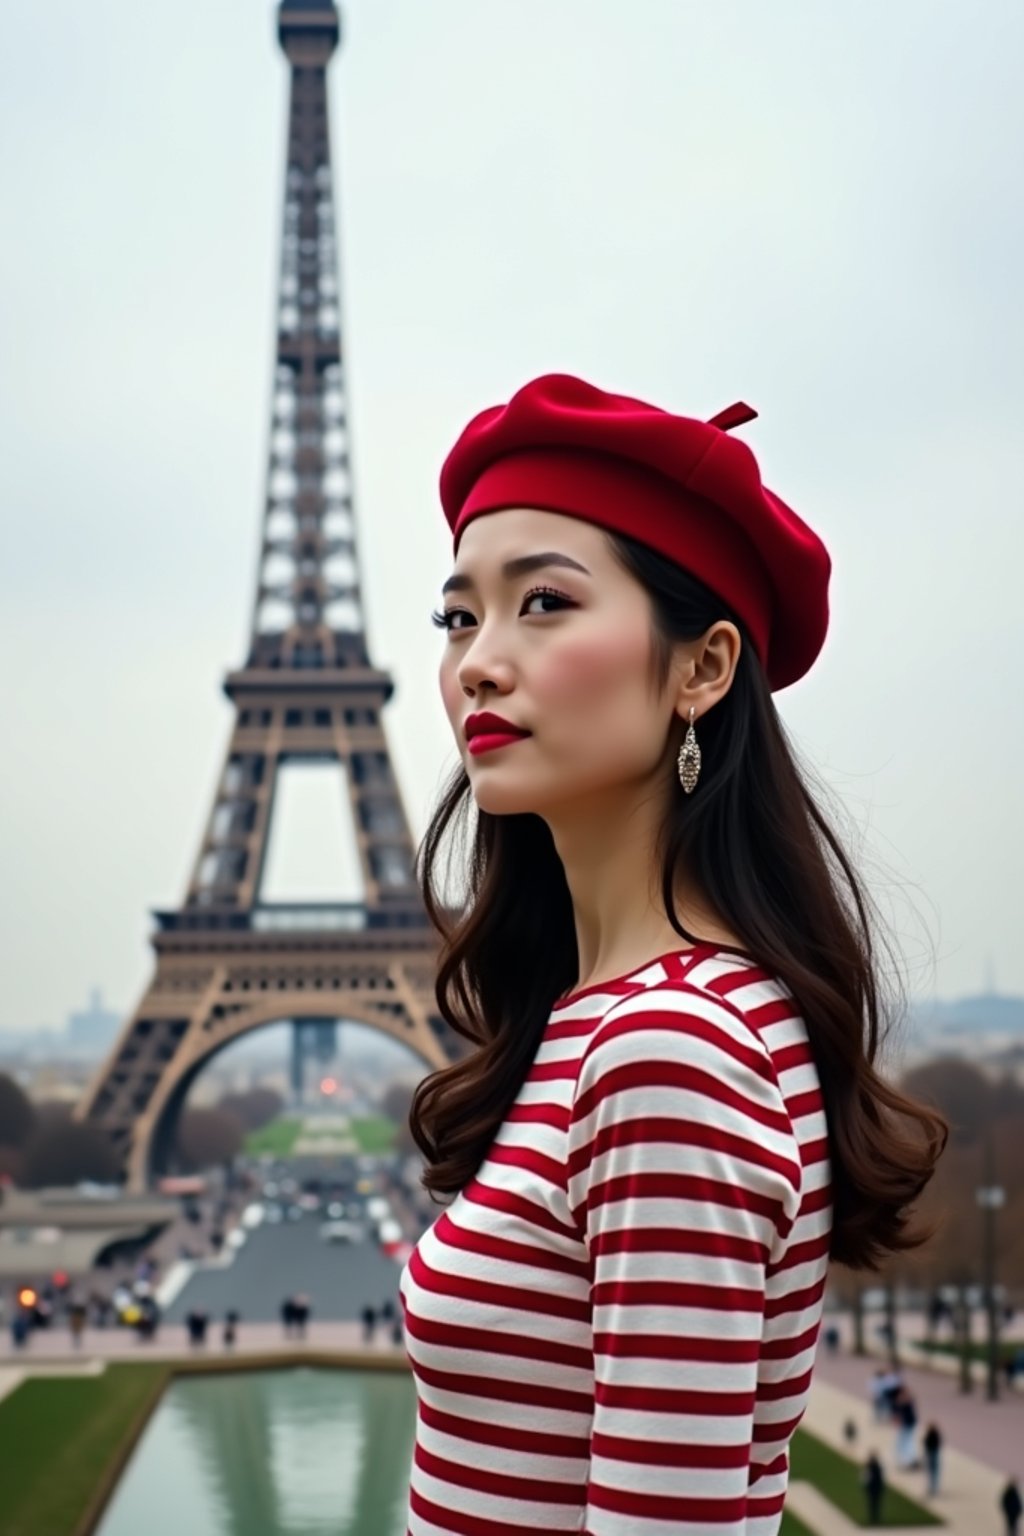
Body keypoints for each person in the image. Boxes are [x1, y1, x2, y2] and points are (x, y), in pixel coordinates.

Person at [398, 372, 949, 1533]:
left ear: (700, 668)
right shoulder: (609, 1018)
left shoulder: (669, 1049)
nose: (477, 664)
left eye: (542, 603)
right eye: (458, 617)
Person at [863, 1453, 885, 1525]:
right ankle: (873, 1518)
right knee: (873, 1504)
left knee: (875, 1504)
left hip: (875, 1488)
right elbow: (866, 1478)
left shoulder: (875, 1467)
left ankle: (875, 1518)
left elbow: (866, 1478)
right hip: (873, 1488)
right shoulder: (872, 1467)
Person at [922, 1422, 942, 1497]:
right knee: (932, 1473)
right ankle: (932, 1488)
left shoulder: (931, 1435)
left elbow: (926, 1443)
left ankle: (933, 1488)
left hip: (932, 1455)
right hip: (932, 1455)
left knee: (933, 1472)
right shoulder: (933, 1435)